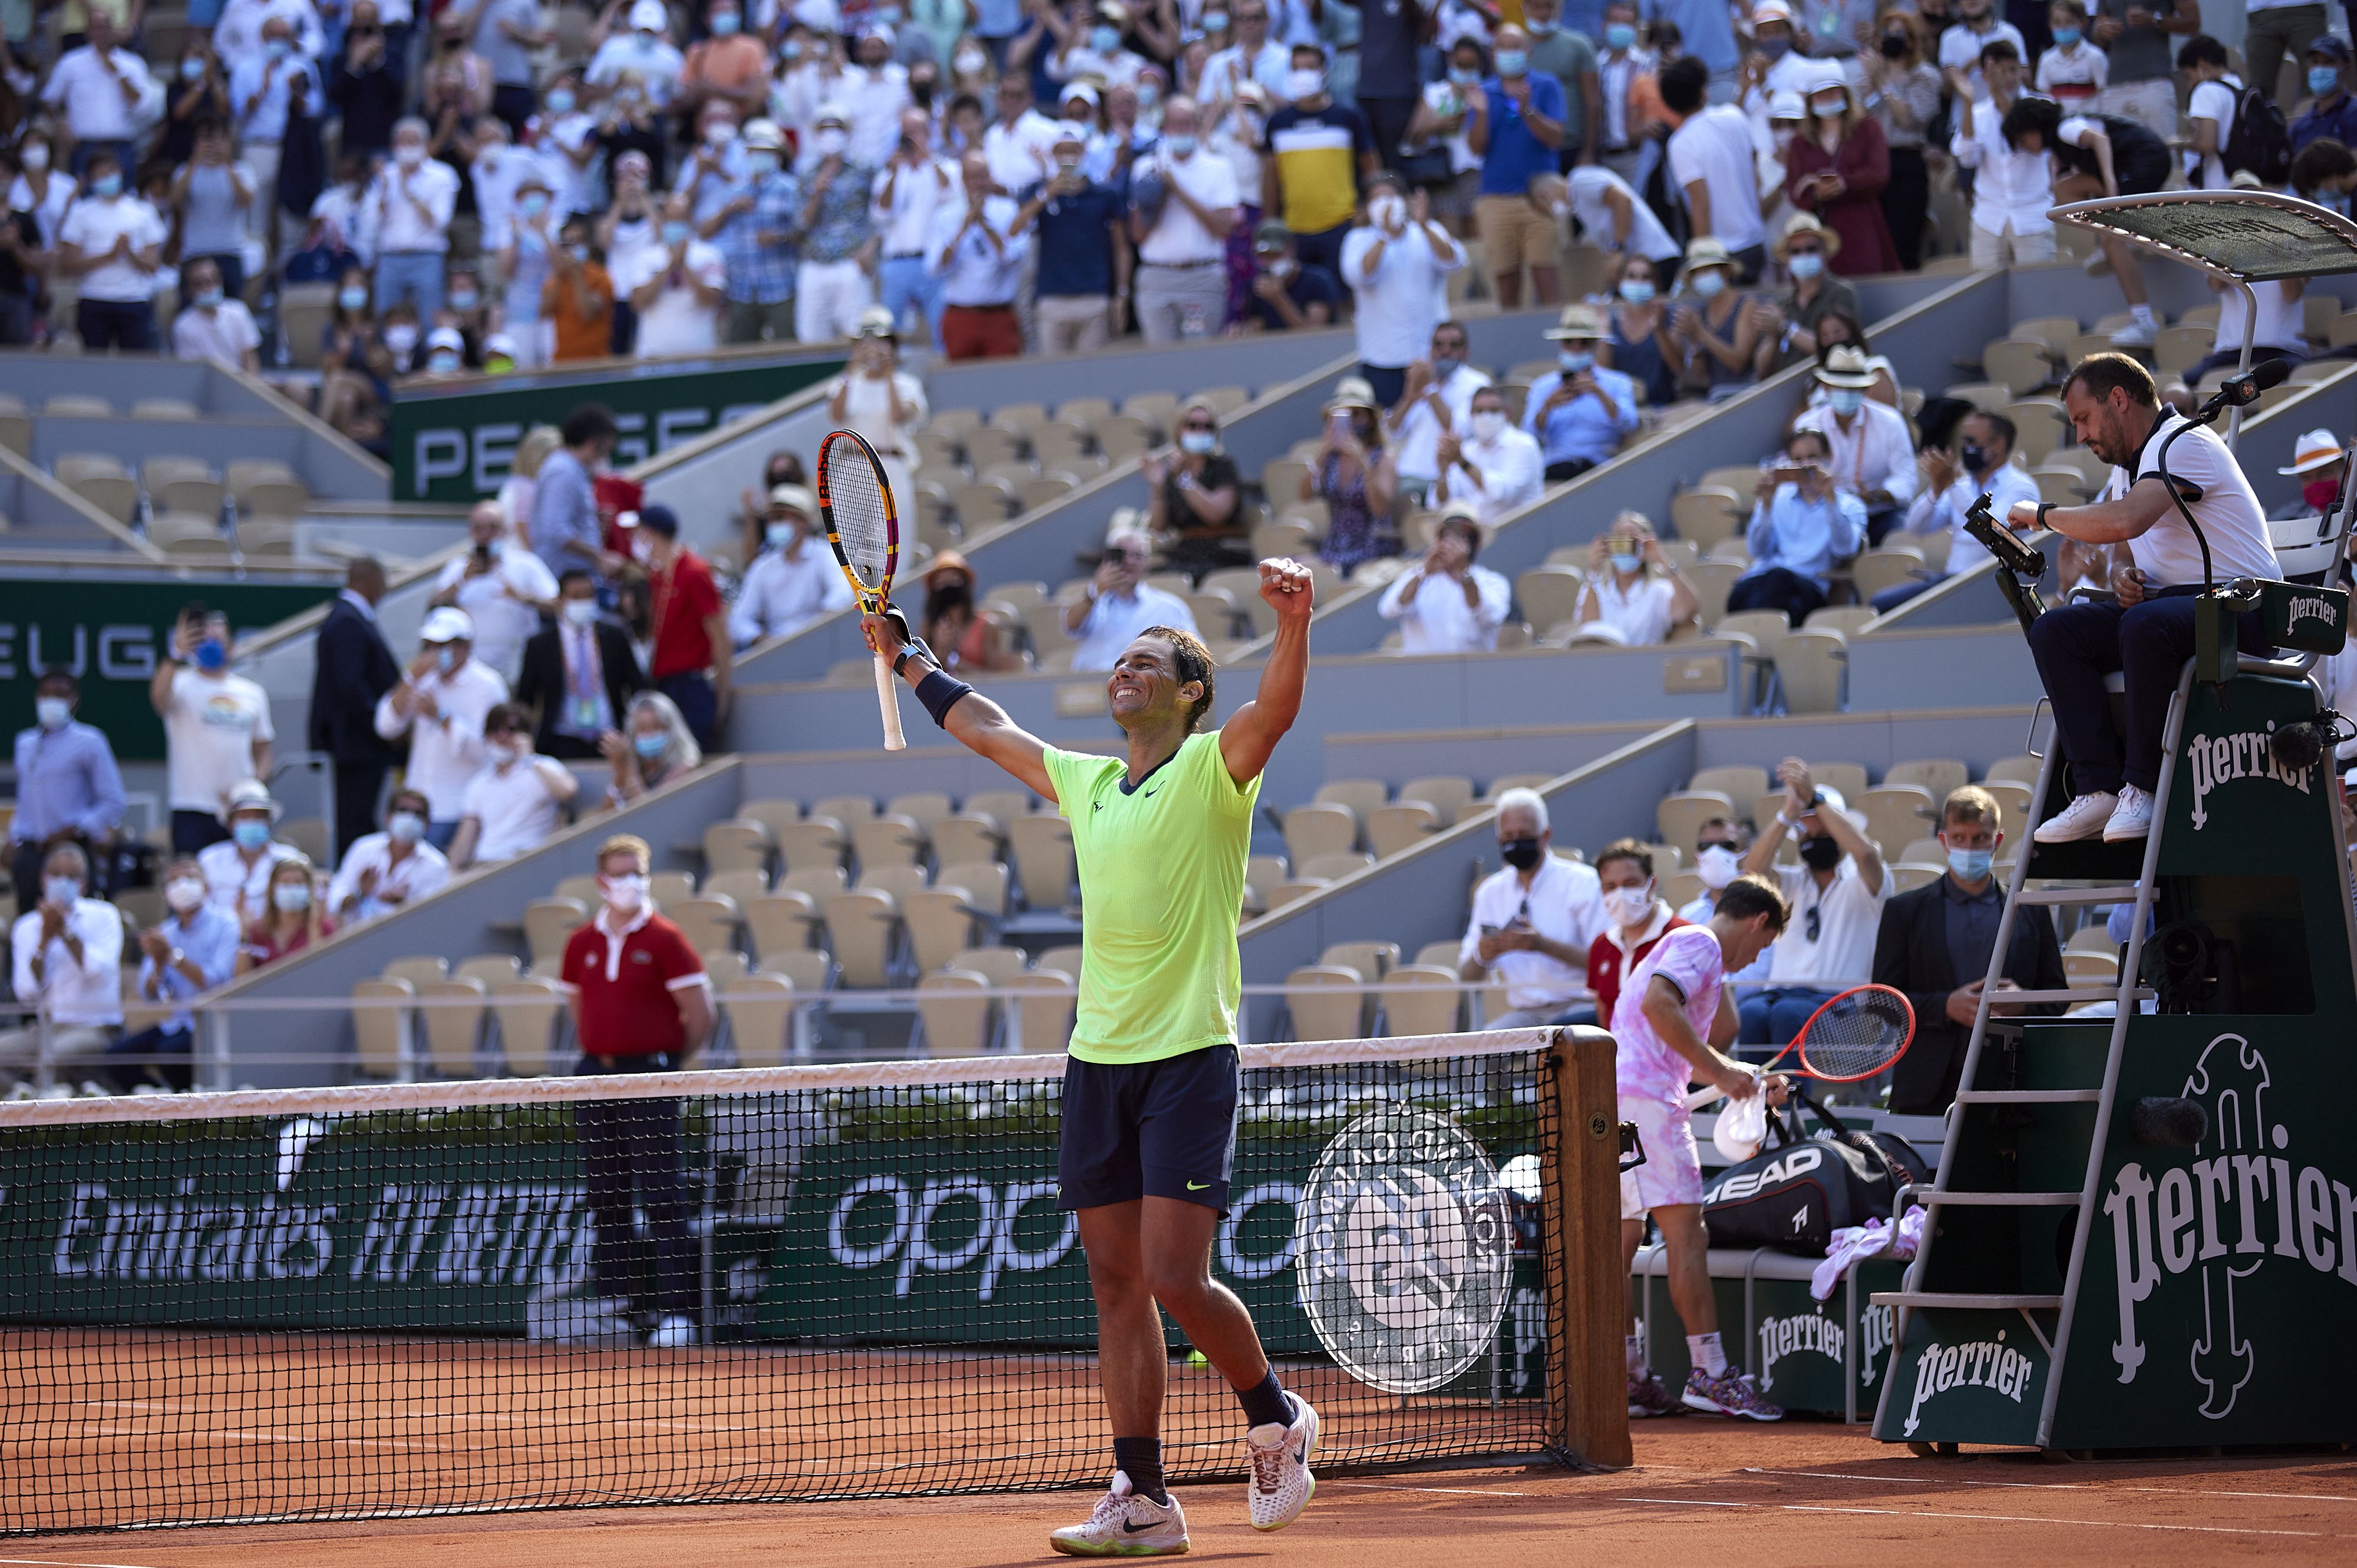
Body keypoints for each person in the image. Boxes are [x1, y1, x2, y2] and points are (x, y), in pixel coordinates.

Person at [862, 558, 1321, 1553]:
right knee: (1116, 1282)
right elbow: (990, 727)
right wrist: (911, 659)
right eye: (1120, 660)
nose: (1125, 670)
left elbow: (1276, 712)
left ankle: (1276, 1416)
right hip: (1096, 1060)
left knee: (1175, 1276)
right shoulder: (1090, 781)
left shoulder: (1215, 769)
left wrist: (1294, 621)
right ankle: (1143, 1496)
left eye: (1147, 661)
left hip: (1189, 1054)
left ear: (1189, 694)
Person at [2009, 354, 2282, 846]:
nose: (2081, 436)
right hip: (2172, 611)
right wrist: (2122, 577)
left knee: (2144, 624)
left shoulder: (2184, 442)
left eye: (2084, 419)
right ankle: (2096, 790)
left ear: (2118, 399)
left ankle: (2144, 787)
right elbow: (2123, 551)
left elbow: (2126, 521)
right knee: (2055, 629)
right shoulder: (2129, 467)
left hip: (2242, 610)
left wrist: (2042, 514)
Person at [1616, 873, 1791, 1421]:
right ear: (1758, 922)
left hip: (1613, 1100)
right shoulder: (1703, 943)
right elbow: (1659, 1006)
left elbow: (1676, 1050)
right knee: (1687, 1233)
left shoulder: (1681, 943)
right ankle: (1711, 1374)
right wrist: (1721, 1070)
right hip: (1648, 1105)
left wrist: (1740, 1076)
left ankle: (1625, 1375)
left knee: (1619, 1242)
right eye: (1764, 944)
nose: (1755, 958)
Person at [559, 833, 711, 1349]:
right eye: (620, 873)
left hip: (651, 1076)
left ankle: (679, 1313)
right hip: (594, 1076)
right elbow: (580, 1010)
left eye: (637, 873)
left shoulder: (667, 938)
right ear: (601, 881)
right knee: (607, 1195)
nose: (630, 883)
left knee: (664, 1196)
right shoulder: (581, 942)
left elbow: (701, 1015)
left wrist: (665, 1062)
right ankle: (617, 1306)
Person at [1872, 785, 2066, 1115]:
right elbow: (1882, 1001)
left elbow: (2058, 996)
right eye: (1959, 838)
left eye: (1980, 838)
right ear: (1944, 840)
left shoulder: (2031, 910)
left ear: (1998, 841)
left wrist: (2023, 1002)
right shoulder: (1903, 911)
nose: (1969, 847)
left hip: (2012, 1081)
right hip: (1926, 1087)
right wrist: (1945, 1006)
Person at [1734, 760, 1887, 1045]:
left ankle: (1792, 1080)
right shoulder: (1790, 882)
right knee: (1750, 1014)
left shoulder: (1865, 882)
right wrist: (1789, 814)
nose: (1816, 840)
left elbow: (1865, 854)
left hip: (1840, 1001)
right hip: (1779, 995)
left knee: (1787, 1015)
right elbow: (1752, 872)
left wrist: (1815, 800)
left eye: (1826, 834)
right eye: (1808, 834)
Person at [1999, 95, 2173, 348]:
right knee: (2064, 191)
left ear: (2034, 129)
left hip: (2145, 161)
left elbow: (2100, 140)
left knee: (2111, 240)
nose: (2023, 146)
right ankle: (2118, 241)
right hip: (2130, 166)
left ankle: (2144, 322)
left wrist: (2111, 186)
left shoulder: (2066, 128)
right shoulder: (2059, 150)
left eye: (2022, 139)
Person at [1457, 787, 1608, 1026]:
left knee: (1558, 1039)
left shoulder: (1583, 883)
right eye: (1508, 836)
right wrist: (1483, 955)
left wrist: (1542, 945)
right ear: (1498, 840)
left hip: (1581, 1006)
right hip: (1526, 1014)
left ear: (1545, 835)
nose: (1516, 842)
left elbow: (1606, 964)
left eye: (1524, 834)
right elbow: (1467, 976)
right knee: (1482, 1048)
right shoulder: (1490, 893)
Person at [1875, 410, 2041, 613]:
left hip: (1991, 584)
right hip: (1951, 583)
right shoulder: (1963, 486)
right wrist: (1936, 490)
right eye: (1963, 441)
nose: (1965, 448)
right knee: (1882, 603)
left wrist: (1951, 484)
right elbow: (1915, 527)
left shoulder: (2021, 487)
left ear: (1998, 445)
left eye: (1971, 441)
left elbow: (1993, 530)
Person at [373, 606, 509, 849]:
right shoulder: (423, 679)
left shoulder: (488, 685)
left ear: (465, 647)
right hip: (416, 805)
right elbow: (387, 726)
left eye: (442, 646)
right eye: (429, 646)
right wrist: (410, 678)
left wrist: (441, 717)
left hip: (459, 806)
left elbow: (488, 750)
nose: (433, 653)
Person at [109, 854, 239, 1091]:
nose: (182, 885)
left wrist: (172, 957)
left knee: (170, 1053)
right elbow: (148, 994)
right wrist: (160, 965)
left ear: (207, 887)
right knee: (116, 1058)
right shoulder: (164, 932)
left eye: (190, 877)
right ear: (166, 894)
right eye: (174, 880)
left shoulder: (226, 924)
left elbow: (217, 982)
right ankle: (158, 1099)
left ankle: (185, 1104)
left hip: (211, 1022)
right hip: (175, 1022)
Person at [153, 605, 275, 854]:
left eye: (218, 639)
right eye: (204, 640)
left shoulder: (252, 692)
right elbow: (159, 699)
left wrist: (252, 787)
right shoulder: (181, 684)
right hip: (192, 808)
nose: (211, 646)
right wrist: (176, 654)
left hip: (239, 809)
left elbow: (264, 750)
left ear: (231, 645)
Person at [1, 843, 123, 1088]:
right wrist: (44, 941)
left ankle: (42, 1109)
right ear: (43, 879)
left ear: (84, 884)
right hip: (45, 1028)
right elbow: (27, 993)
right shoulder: (27, 926)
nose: (62, 881)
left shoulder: (105, 916)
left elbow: (97, 974)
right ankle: (22, 1097)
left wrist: (66, 934)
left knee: (52, 1057)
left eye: (71, 876)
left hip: (97, 1028)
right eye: (55, 874)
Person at [1464, 24, 1569, 309]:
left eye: (1516, 47)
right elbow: (1476, 148)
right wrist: (1481, 113)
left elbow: (1555, 138)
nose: (1510, 53)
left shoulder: (1546, 85)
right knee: (1506, 285)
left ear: (1529, 51)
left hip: (1540, 199)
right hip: (1496, 199)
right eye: (1503, 47)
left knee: (1546, 277)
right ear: (1493, 53)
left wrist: (1528, 112)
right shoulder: (1483, 93)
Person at [1338, 173, 1462, 408]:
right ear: (1367, 207)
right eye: (1378, 199)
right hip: (1384, 357)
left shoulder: (1429, 231)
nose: (1386, 204)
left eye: (1392, 197)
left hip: (1432, 355)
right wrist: (1385, 236)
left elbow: (1454, 261)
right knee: (1389, 423)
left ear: (1405, 200)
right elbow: (1359, 275)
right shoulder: (1358, 239)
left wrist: (1424, 226)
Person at [11, 669, 125, 919]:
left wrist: (77, 828)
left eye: (60, 695)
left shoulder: (90, 741)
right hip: (30, 851)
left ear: (74, 700)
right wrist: (15, 835)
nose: (52, 701)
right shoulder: (25, 743)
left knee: (76, 919)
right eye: (46, 694)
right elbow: (26, 797)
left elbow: (113, 801)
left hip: (72, 849)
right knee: (29, 923)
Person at [308, 557, 402, 859]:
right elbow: (350, 686)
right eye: (383, 583)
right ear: (371, 582)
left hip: (357, 744)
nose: (385, 591)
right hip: (357, 745)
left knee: (357, 820)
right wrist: (383, 726)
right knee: (355, 823)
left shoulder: (347, 617)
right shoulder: (348, 621)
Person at [1130, 95, 1240, 344]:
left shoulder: (1218, 167)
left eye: (1186, 124)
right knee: (1159, 357)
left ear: (1197, 127)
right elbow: (1138, 234)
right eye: (1174, 124)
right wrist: (1157, 197)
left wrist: (1178, 190)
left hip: (1201, 279)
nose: (1180, 130)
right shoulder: (1146, 167)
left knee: (1198, 355)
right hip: (1157, 277)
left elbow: (1223, 229)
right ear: (1164, 128)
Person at [1728, 427, 1866, 624]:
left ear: (1828, 458)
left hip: (1808, 587)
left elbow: (1845, 549)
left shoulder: (1849, 505)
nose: (1805, 466)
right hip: (1764, 582)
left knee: (1781, 583)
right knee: (1750, 592)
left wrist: (1830, 500)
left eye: (1812, 458)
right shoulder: (1776, 497)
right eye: (1798, 460)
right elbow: (1757, 550)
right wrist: (1766, 506)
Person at [1262, 42, 1376, 276]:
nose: (1303, 74)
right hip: (1294, 230)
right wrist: (1271, 223)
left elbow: (1371, 166)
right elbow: (1270, 178)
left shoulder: (1347, 117)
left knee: (1342, 294)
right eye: (1297, 68)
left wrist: (1367, 210)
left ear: (1324, 71)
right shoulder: (1278, 123)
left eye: (1310, 67)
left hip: (1342, 225)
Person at [517, 569, 648, 759]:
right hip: (560, 739)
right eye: (576, 597)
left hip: (610, 736)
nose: (583, 602)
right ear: (560, 601)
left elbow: (637, 685)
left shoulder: (614, 636)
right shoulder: (541, 644)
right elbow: (525, 697)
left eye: (589, 596)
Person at [1793, 345, 1917, 544]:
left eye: (1852, 388)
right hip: (1825, 515)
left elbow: (1906, 479)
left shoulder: (1890, 422)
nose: (1845, 393)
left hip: (1878, 514)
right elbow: (1798, 477)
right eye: (1839, 387)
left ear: (1864, 389)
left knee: (1901, 533)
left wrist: (1876, 496)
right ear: (1826, 388)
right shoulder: (1807, 424)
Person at [630, 506, 730, 751]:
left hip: (690, 686)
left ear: (651, 534)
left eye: (638, 533)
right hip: (663, 684)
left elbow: (720, 637)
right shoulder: (657, 578)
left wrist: (722, 698)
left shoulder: (694, 572)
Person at [431, 502, 560, 683]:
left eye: (493, 527)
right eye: (479, 528)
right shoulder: (458, 568)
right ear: (471, 532)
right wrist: (462, 581)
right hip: (472, 670)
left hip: (519, 665)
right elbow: (435, 603)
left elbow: (558, 606)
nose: (486, 535)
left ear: (506, 530)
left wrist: (523, 598)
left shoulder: (527, 564)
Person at [1950, 39, 2052, 269]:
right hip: (1988, 220)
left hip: (2033, 218)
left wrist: (1998, 95)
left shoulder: (2042, 105)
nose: (2008, 78)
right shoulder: (1977, 114)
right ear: (1985, 76)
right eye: (2000, 72)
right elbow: (1967, 159)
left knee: (2035, 288)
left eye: (2012, 70)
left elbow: (2029, 143)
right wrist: (1967, 103)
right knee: (1985, 289)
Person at [1661, 56, 1765, 279]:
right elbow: (1755, 172)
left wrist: (1703, 260)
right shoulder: (1735, 116)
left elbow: (1700, 204)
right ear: (1703, 92)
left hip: (1722, 255)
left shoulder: (1681, 143)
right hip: (1756, 242)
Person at [55, 150, 165, 351]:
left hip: (134, 299)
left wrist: (129, 253)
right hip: (94, 298)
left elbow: (153, 265)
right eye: (101, 174)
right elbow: (67, 266)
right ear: (91, 179)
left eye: (111, 171)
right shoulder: (81, 213)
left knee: (134, 362)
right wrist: (110, 256)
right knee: (95, 362)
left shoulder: (143, 212)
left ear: (121, 172)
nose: (107, 178)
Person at [927, 147, 1031, 358]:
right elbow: (935, 267)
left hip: (999, 314)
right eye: (972, 177)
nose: (978, 183)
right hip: (960, 315)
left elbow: (1011, 258)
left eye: (982, 176)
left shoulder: (1008, 210)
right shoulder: (946, 215)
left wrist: (984, 222)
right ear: (963, 180)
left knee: (1004, 374)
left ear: (990, 177)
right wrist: (962, 229)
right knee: (960, 376)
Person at [448, 704, 579, 867]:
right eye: (495, 730)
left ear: (526, 735)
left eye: (511, 730)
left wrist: (529, 758)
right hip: (485, 865)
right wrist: (452, 872)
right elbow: (466, 836)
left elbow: (568, 791)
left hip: (526, 864)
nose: (502, 736)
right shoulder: (479, 783)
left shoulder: (543, 766)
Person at [1522, 303, 1640, 483]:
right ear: (1561, 345)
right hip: (1554, 471)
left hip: (1600, 470)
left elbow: (1630, 425)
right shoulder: (1542, 387)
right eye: (1569, 342)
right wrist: (1548, 406)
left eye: (1584, 342)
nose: (1576, 349)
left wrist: (1600, 394)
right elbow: (1529, 435)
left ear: (1594, 345)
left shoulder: (1617, 383)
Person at [1376, 504, 1511, 653]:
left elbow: (1489, 615)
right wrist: (1423, 574)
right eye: (1447, 535)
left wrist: (1463, 576)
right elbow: (1389, 610)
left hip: (1472, 667)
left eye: (1463, 536)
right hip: (1423, 667)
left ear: (1475, 543)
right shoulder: (1416, 576)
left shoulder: (1493, 581)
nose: (1452, 544)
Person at [731, 485, 854, 647]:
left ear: (802, 522)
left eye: (780, 518)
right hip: (777, 650)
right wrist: (760, 639)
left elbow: (842, 594)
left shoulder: (825, 555)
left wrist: (820, 627)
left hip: (822, 642)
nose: (773, 525)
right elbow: (739, 619)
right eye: (771, 520)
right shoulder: (762, 567)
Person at [1863, 12, 1939, 270]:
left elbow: (1909, 119)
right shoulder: (1871, 76)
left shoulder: (1924, 76)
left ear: (1911, 40)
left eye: (1898, 33)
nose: (1891, 39)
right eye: (1886, 33)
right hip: (1875, 162)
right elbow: (1862, 118)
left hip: (1907, 161)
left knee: (1903, 240)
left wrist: (1884, 84)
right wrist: (1873, 81)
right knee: (1876, 243)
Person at [1586, 839, 1688, 1029]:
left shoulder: (1683, 937)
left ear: (1652, 884)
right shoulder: (1601, 945)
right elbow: (1602, 1007)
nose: (1621, 893)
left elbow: (1721, 1019)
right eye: (1611, 886)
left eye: (1631, 883)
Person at [1388, 320, 1491, 509]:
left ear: (1466, 352)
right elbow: (1391, 431)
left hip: (1446, 480)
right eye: (1438, 345)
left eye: (1453, 345)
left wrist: (1430, 388)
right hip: (1407, 475)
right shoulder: (1422, 380)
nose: (1445, 351)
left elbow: (1456, 429)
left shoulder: (1477, 384)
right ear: (1431, 350)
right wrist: (1409, 398)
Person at [1305, 377, 1401, 574]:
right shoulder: (1331, 459)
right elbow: (1304, 496)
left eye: (1356, 414)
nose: (1350, 421)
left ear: (1370, 420)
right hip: (1333, 549)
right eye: (1343, 415)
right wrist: (1322, 453)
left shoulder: (1382, 458)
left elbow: (1380, 510)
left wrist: (1363, 462)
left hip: (1371, 549)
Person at [369, 119, 461, 319]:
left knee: (430, 319)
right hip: (390, 258)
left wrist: (408, 191)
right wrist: (384, 191)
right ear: (394, 146)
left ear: (425, 143)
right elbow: (374, 221)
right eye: (403, 142)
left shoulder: (442, 175)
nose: (408, 147)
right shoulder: (386, 175)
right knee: (386, 319)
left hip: (427, 257)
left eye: (413, 141)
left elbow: (440, 222)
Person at [1066, 534, 1201, 669]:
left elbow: (1192, 654)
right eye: (1121, 555)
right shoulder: (1092, 602)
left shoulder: (1169, 607)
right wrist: (1096, 591)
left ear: (1147, 563)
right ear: (1108, 559)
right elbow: (1071, 624)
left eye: (1137, 556)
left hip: (1142, 679)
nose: (1128, 562)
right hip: (1090, 678)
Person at [1146, 404, 1247, 579]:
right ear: (1179, 431)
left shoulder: (1223, 466)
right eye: (1193, 425)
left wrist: (1184, 480)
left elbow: (1216, 514)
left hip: (1221, 550)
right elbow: (1158, 528)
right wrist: (1158, 488)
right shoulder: (1173, 473)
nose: (1201, 430)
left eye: (1208, 426)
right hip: (1185, 551)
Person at [620, 193, 728, 355]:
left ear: (690, 219)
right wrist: (670, 266)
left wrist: (684, 266)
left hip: (699, 353)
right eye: (671, 219)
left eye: (680, 219)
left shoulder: (710, 255)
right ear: (663, 220)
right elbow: (638, 302)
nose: (675, 224)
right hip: (654, 355)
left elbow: (712, 301)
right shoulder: (646, 257)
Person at [328, 788, 451, 925]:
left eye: (418, 814)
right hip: (358, 932)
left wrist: (404, 905)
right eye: (403, 811)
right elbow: (335, 897)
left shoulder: (437, 865)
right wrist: (361, 894)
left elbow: (435, 918)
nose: (409, 818)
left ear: (427, 824)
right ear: (388, 817)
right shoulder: (363, 848)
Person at [1574, 511, 1699, 643]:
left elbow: (1687, 611)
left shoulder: (1658, 590)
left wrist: (1662, 560)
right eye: (1619, 539)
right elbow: (1589, 629)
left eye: (1632, 541)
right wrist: (1594, 569)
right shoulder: (1597, 589)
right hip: (1606, 655)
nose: (1625, 545)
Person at [1666, 237, 1768, 401]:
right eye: (1697, 273)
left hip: (1743, 394)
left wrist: (1701, 333)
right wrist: (1694, 340)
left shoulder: (1746, 305)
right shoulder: (1702, 313)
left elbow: (1739, 363)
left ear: (1726, 271)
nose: (1702, 277)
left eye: (1708, 270)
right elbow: (1702, 374)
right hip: (1715, 395)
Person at [532, 404, 622, 585]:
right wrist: (599, 556)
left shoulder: (572, 469)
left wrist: (592, 519)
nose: (606, 457)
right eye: (606, 450)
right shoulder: (564, 471)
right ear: (592, 443)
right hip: (565, 579)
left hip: (573, 576)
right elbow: (556, 530)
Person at [1436, 384, 1545, 526]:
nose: (1485, 416)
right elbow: (1441, 504)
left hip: (1517, 530)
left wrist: (1462, 462)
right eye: (1479, 411)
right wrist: (1443, 474)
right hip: (1473, 532)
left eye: (1494, 410)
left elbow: (1502, 495)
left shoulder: (1525, 445)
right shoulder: (1466, 449)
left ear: (1509, 413)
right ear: (1470, 415)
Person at [200, 780, 303, 927]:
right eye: (244, 817)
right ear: (231, 824)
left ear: (269, 822)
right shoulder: (209, 860)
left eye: (259, 817)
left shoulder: (290, 858)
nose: (252, 821)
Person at [2091, 0, 2196, 143]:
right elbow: (2098, 32)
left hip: (2155, 82)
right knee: (2119, 153)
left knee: (2163, 149)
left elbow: (2193, 23)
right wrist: (2101, 30)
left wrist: (2154, 19)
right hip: (2115, 86)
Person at [915, 551, 1021, 671]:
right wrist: (940, 650)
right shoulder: (928, 626)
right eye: (941, 581)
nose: (948, 585)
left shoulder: (987, 625)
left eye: (953, 578)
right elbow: (924, 671)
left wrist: (953, 662)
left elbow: (995, 675)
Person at [1599, 253, 1681, 410]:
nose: (1638, 282)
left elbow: (1678, 369)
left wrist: (1659, 329)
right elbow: (1603, 375)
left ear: (1655, 284)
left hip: (1664, 409)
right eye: (1631, 276)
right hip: (1624, 410)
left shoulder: (1668, 318)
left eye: (1646, 277)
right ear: (1620, 282)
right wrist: (1604, 334)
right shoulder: (1611, 324)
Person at [602, 691, 704, 806]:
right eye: (642, 728)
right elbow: (605, 814)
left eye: (656, 727)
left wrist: (629, 770)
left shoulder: (685, 767)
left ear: (672, 729)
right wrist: (619, 774)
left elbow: (653, 810)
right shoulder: (638, 768)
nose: (649, 734)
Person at [169, 255, 262, 372]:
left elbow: (250, 357)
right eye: (199, 284)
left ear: (220, 282)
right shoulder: (183, 326)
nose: (206, 288)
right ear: (189, 290)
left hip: (242, 380)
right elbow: (192, 370)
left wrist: (250, 382)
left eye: (210, 281)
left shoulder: (239, 311)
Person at [2293, 37, 2357, 154]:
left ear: (2346, 67)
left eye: (2328, 62)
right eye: (2315, 62)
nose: (2320, 69)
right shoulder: (2300, 127)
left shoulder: (2354, 114)